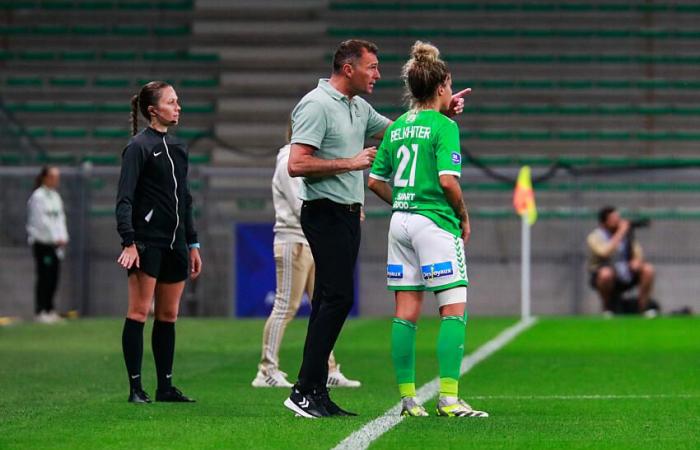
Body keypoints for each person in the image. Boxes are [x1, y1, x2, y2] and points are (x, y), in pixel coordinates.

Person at [284, 39, 469, 418]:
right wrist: (349, 162)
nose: (378, 74)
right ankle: (304, 388)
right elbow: (296, 164)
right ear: (348, 68)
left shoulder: (359, 107)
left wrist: (441, 108)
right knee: (337, 299)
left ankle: (315, 389)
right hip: (325, 210)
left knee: (331, 300)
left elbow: (403, 131)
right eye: (371, 67)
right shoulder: (316, 105)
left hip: (357, 212)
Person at [368, 41, 488, 418]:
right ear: (441, 87)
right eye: (450, 87)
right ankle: (449, 399)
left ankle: (407, 399)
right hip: (434, 223)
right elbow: (449, 181)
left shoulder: (398, 126)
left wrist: (405, 200)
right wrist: (464, 216)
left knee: (405, 312)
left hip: (399, 222)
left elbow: (374, 181)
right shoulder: (445, 126)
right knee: (453, 310)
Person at [252, 127, 361, 389]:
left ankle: (328, 367)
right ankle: (266, 369)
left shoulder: (306, 159)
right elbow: (299, 201)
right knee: (285, 306)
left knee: (324, 306)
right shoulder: (289, 158)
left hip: (311, 240)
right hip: (294, 239)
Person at [116, 81, 202, 404]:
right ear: (154, 110)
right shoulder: (137, 147)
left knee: (168, 315)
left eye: (178, 101)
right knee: (139, 313)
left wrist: (192, 243)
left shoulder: (178, 149)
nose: (178, 107)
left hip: (176, 245)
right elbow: (124, 199)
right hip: (147, 244)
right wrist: (129, 241)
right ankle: (135, 388)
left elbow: (186, 200)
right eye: (172, 102)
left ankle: (165, 387)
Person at [587, 206, 656, 316]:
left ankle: (643, 308)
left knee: (648, 269)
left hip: (626, 271)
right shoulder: (595, 236)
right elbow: (604, 252)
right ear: (604, 223)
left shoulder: (627, 235)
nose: (618, 221)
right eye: (613, 219)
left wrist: (637, 261)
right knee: (606, 274)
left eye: (618, 218)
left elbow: (637, 251)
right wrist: (620, 232)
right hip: (606, 275)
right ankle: (607, 308)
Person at [27, 166, 69, 324]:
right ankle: (41, 310)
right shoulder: (38, 196)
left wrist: (63, 237)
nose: (56, 180)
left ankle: (50, 309)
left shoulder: (55, 196)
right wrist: (54, 238)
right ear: (45, 177)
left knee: (54, 276)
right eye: (53, 177)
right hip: (43, 243)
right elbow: (40, 221)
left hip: (56, 244)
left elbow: (60, 219)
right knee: (44, 276)